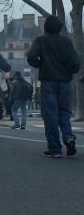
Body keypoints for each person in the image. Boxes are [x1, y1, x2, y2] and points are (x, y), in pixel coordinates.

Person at [27, 15, 80, 157]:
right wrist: (69, 71)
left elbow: (31, 56)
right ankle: (68, 137)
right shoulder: (67, 43)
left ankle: (55, 148)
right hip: (64, 82)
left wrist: (39, 65)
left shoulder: (41, 41)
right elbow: (76, 62)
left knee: (50, 114)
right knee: (64, 113)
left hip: (48, 81)